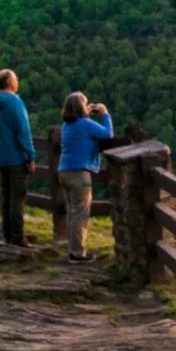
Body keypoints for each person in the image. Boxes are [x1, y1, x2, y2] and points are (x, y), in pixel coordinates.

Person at [56, 92, 115, 262]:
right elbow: (107, 134)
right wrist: (104, 113)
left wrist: (86, 113)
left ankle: (73, 250)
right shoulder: (84, 124)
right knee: (80, 215)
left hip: (64, 172)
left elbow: (81, 127)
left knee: (72, 213)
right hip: (78, 174)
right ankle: (77, 254)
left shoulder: (67, 125)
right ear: (81, 108)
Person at [0, 70, 36, 247]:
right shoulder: (15, 103)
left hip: (0, 156)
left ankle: (7, 234)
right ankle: (17, 237)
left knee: (6, 196)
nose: (17, 81)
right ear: (10, 83)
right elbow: (23, 131)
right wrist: (30, 156)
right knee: (18, 197)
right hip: (16, 157)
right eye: (16, 78)